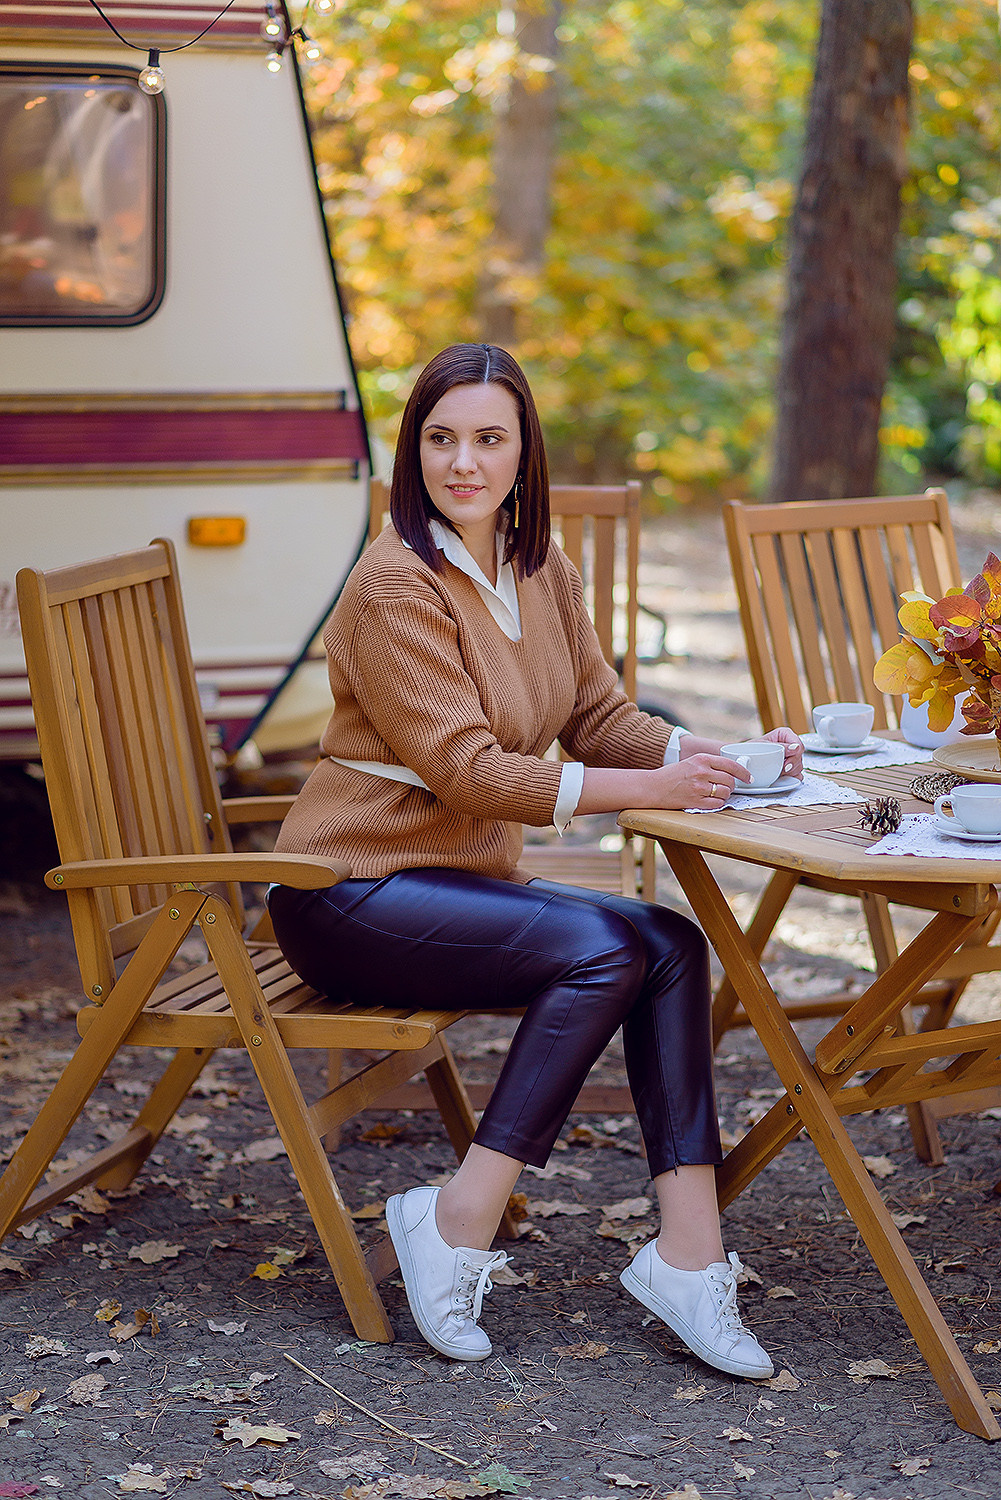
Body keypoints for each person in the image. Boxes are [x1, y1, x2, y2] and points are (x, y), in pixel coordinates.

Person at [269, 343, 803, 1377]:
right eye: (439, 438)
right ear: (411, 449)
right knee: (602, 949)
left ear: (523, 453)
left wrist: (712, 757)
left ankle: (687, 1259)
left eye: (486, 438)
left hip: (453, 883)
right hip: (346, 892)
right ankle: (457, 1218)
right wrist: (644, 793)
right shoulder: (394, 586)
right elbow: (468, 772)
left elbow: (597, 715)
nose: (461, 462)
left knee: (670, 945)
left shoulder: (534, 561)